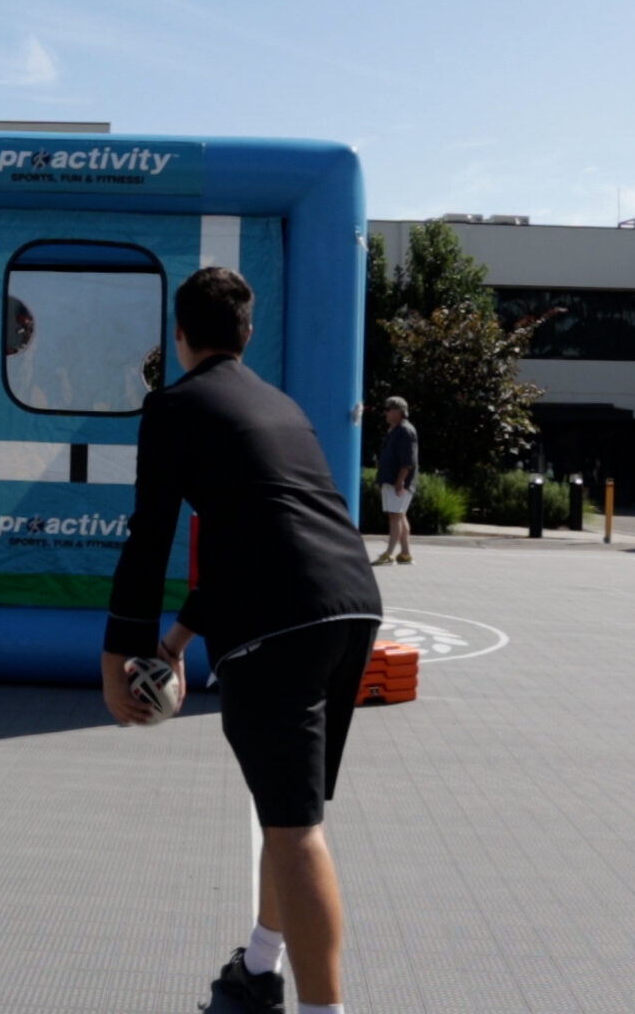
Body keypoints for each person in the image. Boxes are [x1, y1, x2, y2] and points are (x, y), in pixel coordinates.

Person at [101, 267, 383, 1014]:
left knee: (296, 833)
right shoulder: (281, 406)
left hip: (281, 618)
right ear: (247, 334)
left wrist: (114, 658)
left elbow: (149, 537)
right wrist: (181, 636)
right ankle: (260, 966)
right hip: (352, 605)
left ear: (180, 335)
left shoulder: (173, 407)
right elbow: (265, 533)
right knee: (285, 812)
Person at [373, 396, 418, 565]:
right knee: (400, 515)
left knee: (395, 516)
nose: (386, 413)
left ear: (399, 411)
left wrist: (401, 481)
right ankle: (405, 554)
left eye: (389, 409)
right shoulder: (395, 430)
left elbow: (408, 460)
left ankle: (389, 553)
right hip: (391, 480)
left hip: (397, 482)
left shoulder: (405, 431)